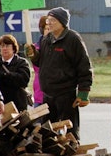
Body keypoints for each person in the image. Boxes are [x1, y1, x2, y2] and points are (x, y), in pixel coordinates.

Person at [24, 7, 93, 140]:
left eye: (52, 20)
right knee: (47, 133)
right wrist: (33, 55)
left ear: (62, 22)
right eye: (48, 20)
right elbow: (41, 63)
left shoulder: (73, 39)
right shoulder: (46, 39)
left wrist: (84, 92)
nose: (48, 23)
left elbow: (84, 66)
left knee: (70, 133)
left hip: (66, 94)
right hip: (47, 95)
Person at [0, 34, 31, 112]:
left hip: (18, 105)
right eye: (2, 46)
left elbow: (24, 80)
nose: (5, 48)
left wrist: (5, 76)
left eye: (7, 46)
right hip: (0, 105)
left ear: (13, 48)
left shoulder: (21, 62)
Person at [32, 15, 50, 107]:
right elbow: (37, 67)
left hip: (54, 92)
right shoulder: (35, 48)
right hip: (40, 90)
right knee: (38, 120)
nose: (49, 31)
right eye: (47, 29)